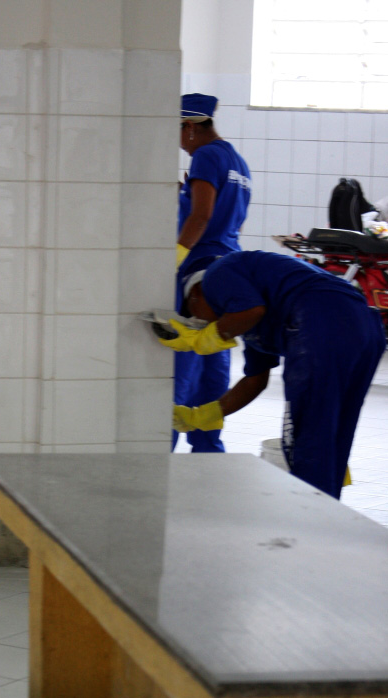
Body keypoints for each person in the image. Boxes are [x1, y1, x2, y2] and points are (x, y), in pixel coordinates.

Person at [158, 250, 385, 500]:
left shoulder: (217, 272)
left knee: (308, 437)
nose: (199, 322)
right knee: (332, 434)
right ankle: (326, 508)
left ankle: (310, 513)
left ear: (195, 294)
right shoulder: (253, 319)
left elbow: (251, 311)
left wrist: (205, 339)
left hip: (322, 322)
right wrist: (203, 415)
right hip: (365, 330)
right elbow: (255, 381)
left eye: (193, 315)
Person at [170, 93, 251, 454]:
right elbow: (228, 218)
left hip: (199, 269)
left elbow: (201, 215)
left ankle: (162, 450)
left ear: (189, 126)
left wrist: (176, 257)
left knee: (183, 361)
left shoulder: (205, 155)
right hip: (227, 266)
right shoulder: (238, 162)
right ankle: (207, 450)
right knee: (213, 358)